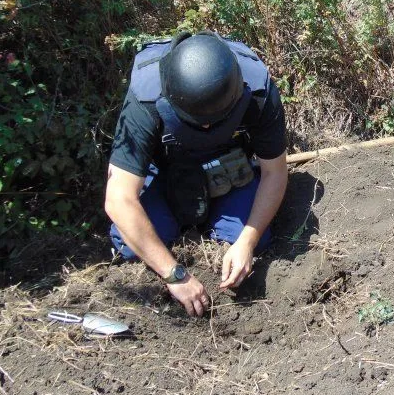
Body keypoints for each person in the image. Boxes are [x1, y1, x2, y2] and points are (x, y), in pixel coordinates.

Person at [105, 31, 288, 316]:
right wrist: (174, 275)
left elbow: (275, 172)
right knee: (132, 244)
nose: (205, 129)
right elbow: (118, 199)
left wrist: (246, 243)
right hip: (166, 169)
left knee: (254, 238)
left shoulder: (258, 89)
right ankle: (174, 221)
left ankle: (218, 220)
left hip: (226, 165)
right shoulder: (146, 97)